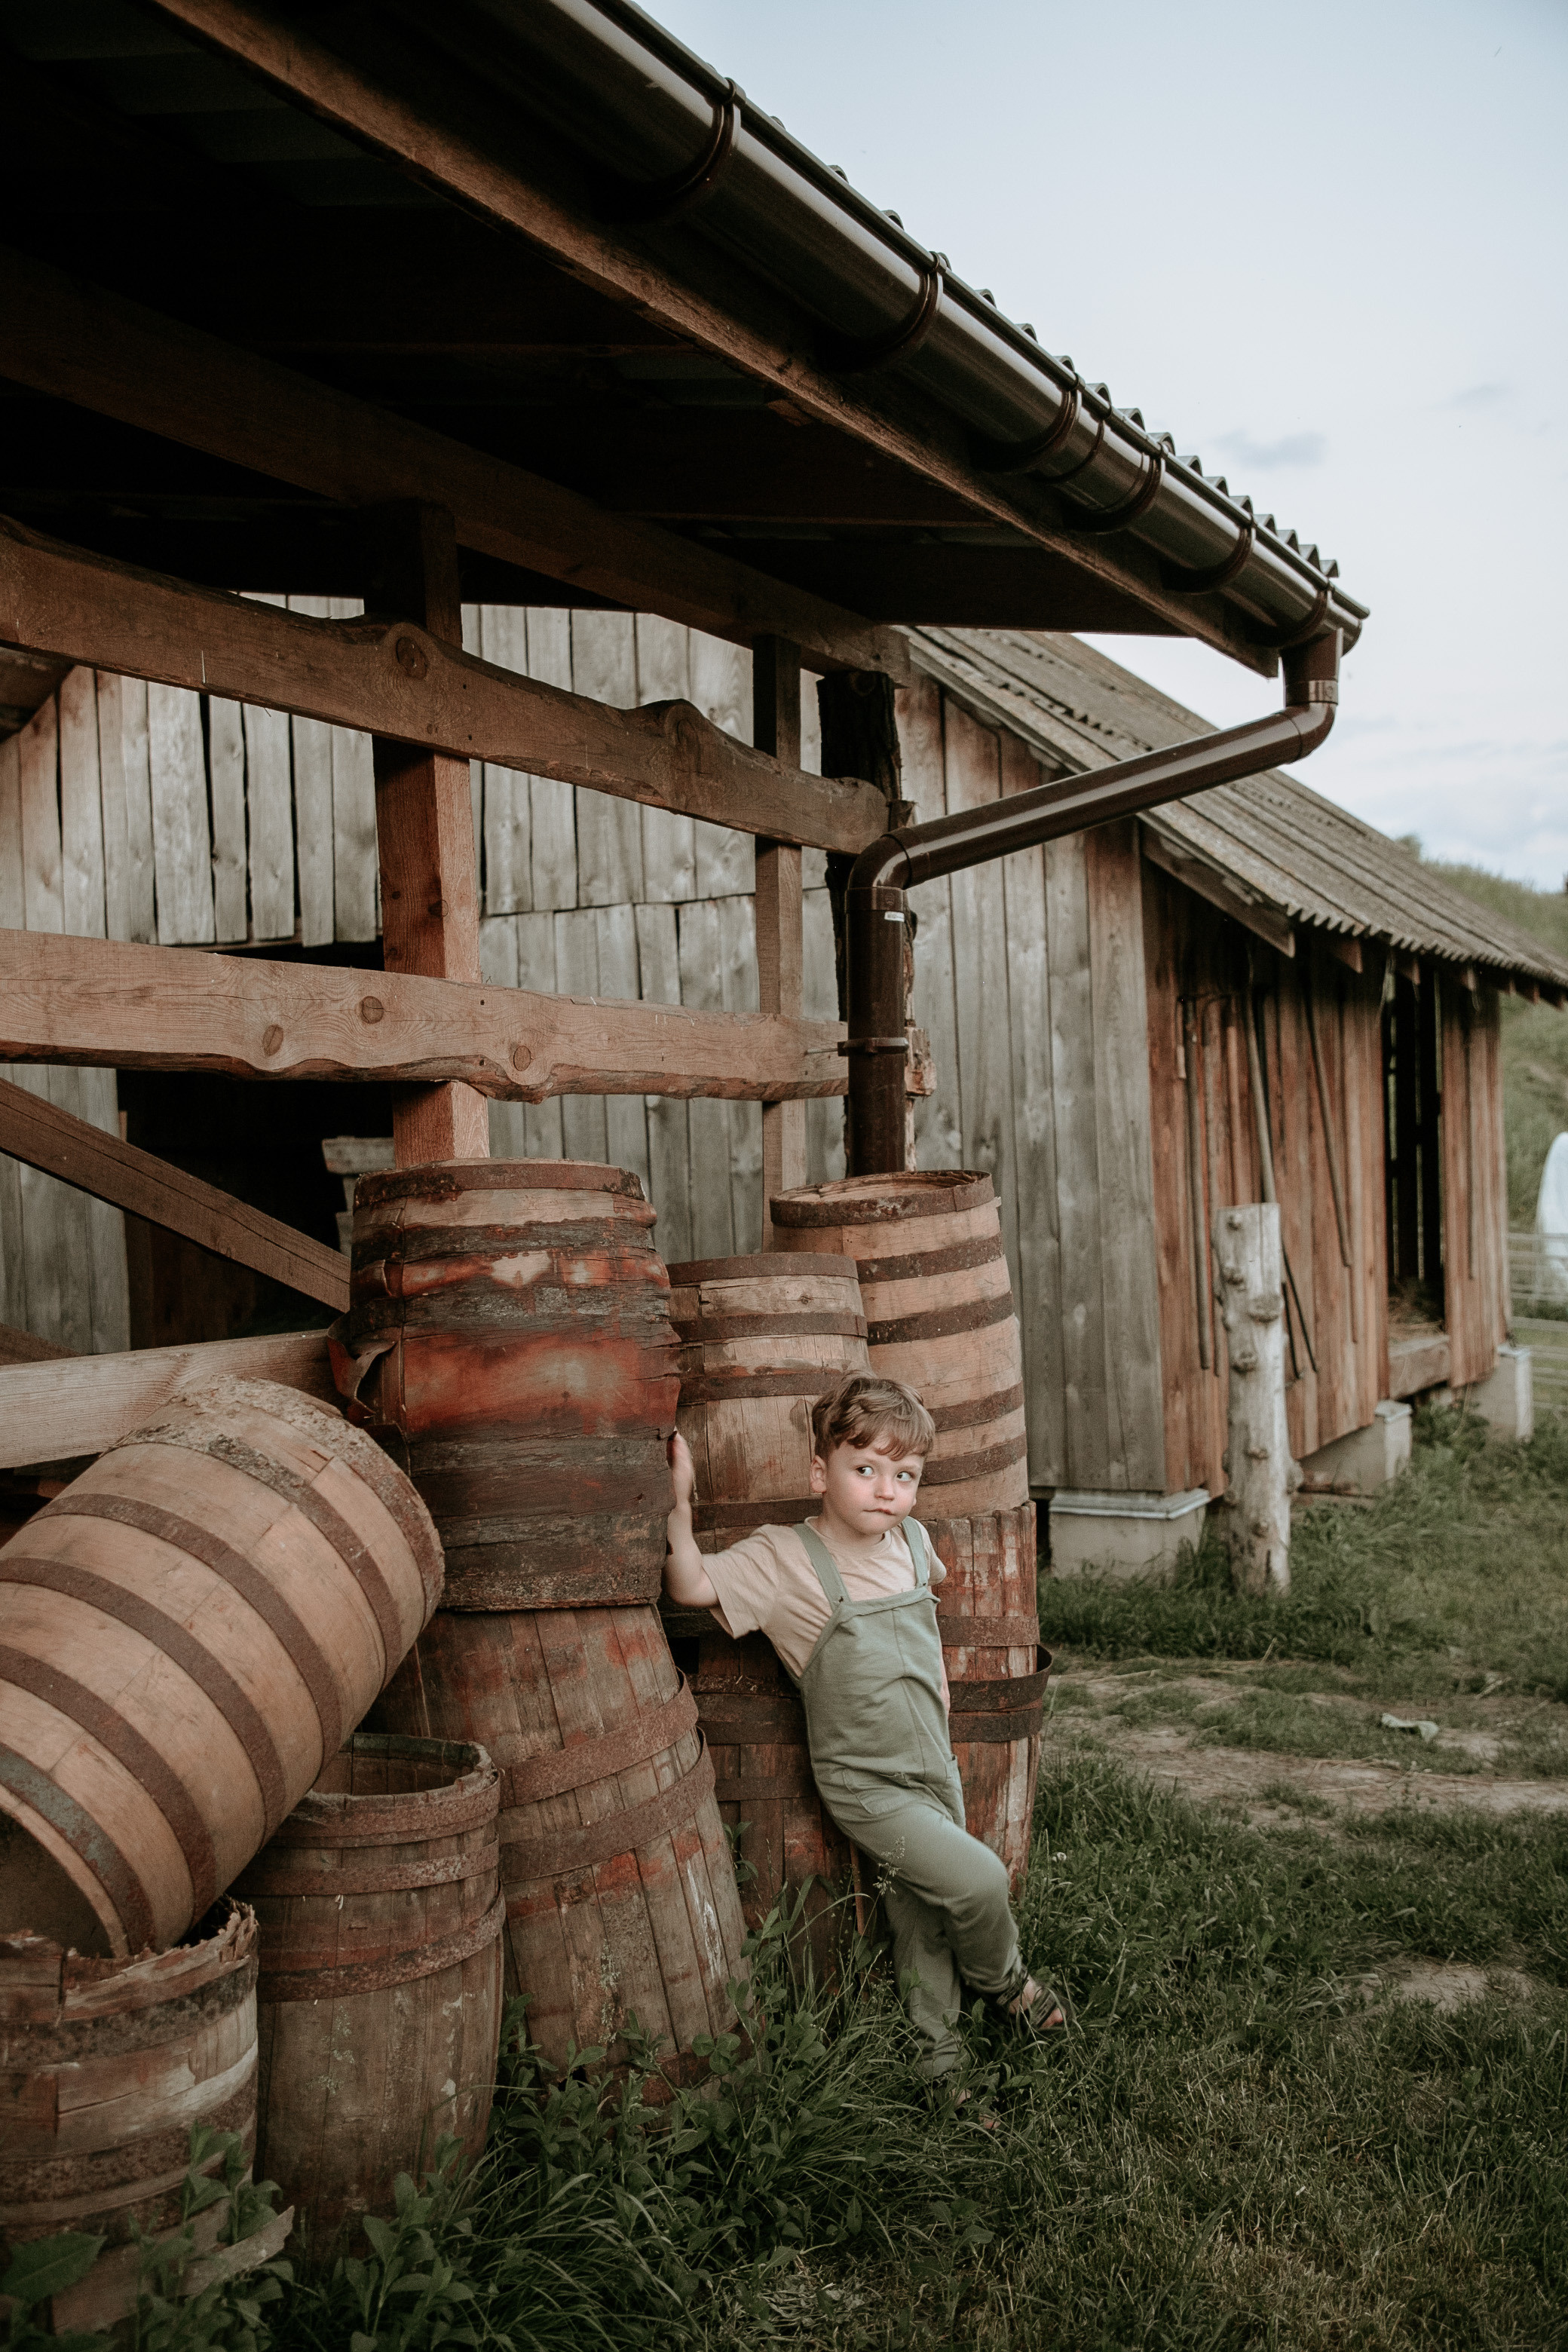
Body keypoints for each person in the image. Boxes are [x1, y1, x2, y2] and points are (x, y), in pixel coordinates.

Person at [664, 1367, 1069, 2082]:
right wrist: (679, 1502)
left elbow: (921, 1624)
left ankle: (939, 2070)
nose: (888, 1491)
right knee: (978, 1884)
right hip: (867, 1784)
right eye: (866, 1469)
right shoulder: (789, 1559)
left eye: (906, 1475)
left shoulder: (912, 1543)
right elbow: (692, 1586)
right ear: (820, 1472)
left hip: (934, 1764)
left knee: (922, 1922)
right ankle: (1006, 1985)